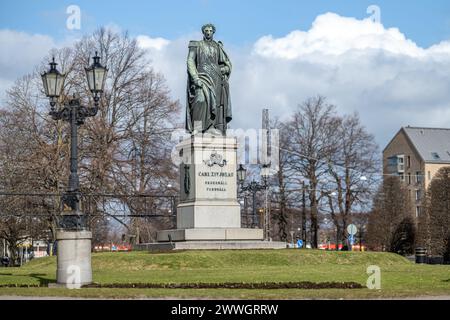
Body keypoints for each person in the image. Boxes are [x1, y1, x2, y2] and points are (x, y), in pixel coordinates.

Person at [186, 23, 232, 135]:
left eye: (210, 31)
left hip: (216, 78)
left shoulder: (218, 47)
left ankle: (211, 127)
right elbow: (190, 61)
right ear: (203, 32)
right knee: (200, 100)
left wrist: (225, 69)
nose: (208, 32)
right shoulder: (196, 45)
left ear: (213, 32)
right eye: (206, 30)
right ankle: (197, 128)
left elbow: (227, 64)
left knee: (215, 104)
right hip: (201, 76)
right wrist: (195, 77)